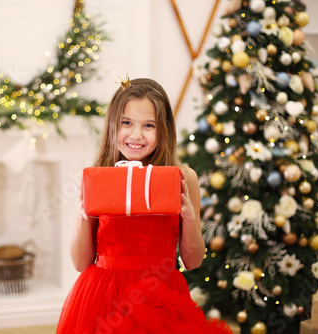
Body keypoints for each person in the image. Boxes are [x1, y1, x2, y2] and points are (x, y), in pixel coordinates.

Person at [56, 77, 232, 334]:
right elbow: (81, 262)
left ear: (163, 130)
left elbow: (192, 261)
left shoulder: (183, 178)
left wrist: (190, 218)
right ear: (112, 126)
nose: (136, 135)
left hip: (162, 296)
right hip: (105, 296)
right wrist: (84, 215)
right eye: (126, 123)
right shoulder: (99, 176)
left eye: (148, 125)